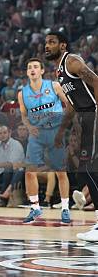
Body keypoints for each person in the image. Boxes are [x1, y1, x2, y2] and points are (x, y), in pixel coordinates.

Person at [45, 32, 98, 242]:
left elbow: (95, 80)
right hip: (84, 119)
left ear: (63, 45)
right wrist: (60, 132)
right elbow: (71, 107)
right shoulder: (58, 72)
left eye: (52, 42)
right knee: (83, 169)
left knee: (88, 169)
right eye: (46, 43)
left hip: (92, 115)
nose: (47, 46)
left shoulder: (72, 61)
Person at [18, 58, 70, 224]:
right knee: (29, 172)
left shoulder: (54, 86)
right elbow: (24, 116)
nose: (32, 69)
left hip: (55, 132)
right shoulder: (22, 93)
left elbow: (68, 104)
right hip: (37, 134)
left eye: (35, 67)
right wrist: (28, 126)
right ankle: (35, 208)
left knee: (60, 172)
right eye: (29, 67)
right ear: (27, 73)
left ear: (41, 71)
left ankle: (65, 208)